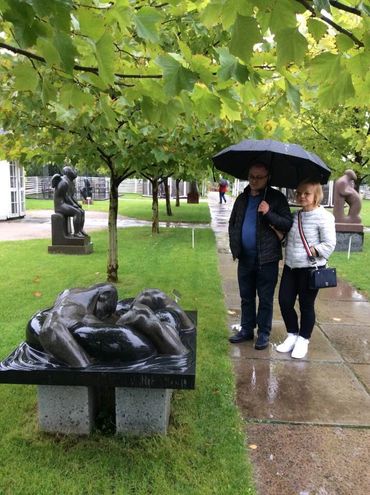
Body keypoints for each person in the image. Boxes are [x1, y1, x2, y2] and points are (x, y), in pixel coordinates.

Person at [228, 163, 293, 349]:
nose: (254, 180)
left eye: (259, 177)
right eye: (251, 176)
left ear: (268, 178)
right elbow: (233, 223)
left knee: (265, 299)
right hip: (245, 259)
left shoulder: (276, 198)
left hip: (267, 259)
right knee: (246, 297)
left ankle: (263, 333)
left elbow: (287, 223)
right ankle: (247, 329)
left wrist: (269, 213)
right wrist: (235, 247)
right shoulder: (242, 198)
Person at [277, 179, 336, 359]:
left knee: (306, 305)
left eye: (306, 193)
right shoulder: (296, 216)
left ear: (316, 195)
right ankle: (292, 334)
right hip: (290, 266)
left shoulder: (325, 217)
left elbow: (330, 244)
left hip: (309, 269)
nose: (301, 196)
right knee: (284, 301)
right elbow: (288, 240)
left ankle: (303, 339)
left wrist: (314, 250)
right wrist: (277, 233)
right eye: (299, 192)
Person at [52, 166, 87, 237]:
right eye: (72, 170)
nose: (74, 172)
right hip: (60, 205)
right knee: (77, 213)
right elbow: (66, 196)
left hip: (65, 204)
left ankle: (80, 230)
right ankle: (76, 233)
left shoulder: (70, 182)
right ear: (68, 173)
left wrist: (76, 203)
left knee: (82, 211)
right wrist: (74, 205)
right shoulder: (64, 182)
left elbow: (71, 196)